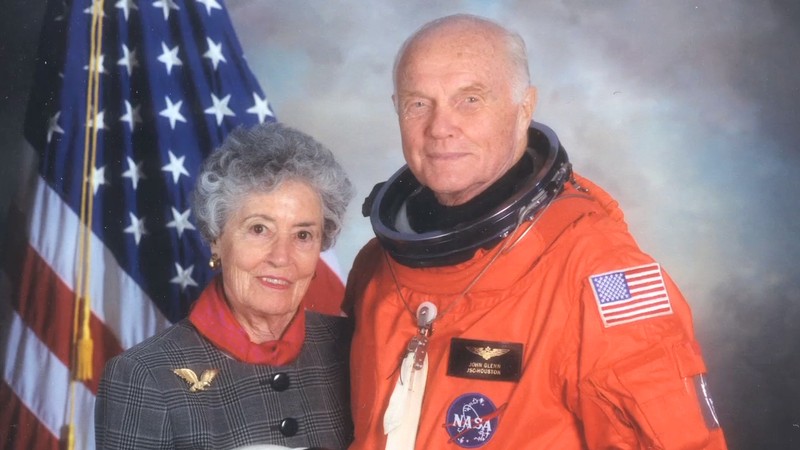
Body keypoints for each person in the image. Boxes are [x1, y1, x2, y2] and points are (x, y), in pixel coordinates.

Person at [345, 13, 728, 449]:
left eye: (469, 99)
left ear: (524, 108)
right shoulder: (377, 267)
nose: (440, 128)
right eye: (418, 103)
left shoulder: (602, 275)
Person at [95, 122, 354, 449]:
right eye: (259, 229)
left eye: (303, 235)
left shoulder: (351, 347)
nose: (281, 257)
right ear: (216, 238)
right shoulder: (143, 376)